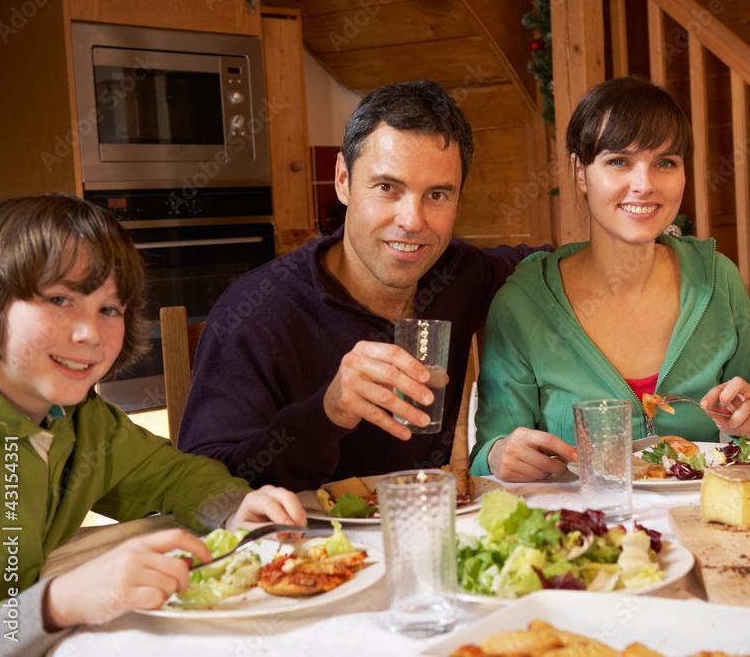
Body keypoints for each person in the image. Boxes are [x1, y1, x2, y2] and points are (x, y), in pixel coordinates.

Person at [177, 79, 547, 490]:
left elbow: (566, 265)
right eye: (387, 188)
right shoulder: (256, 311)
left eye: (438, 195)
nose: (413, 221)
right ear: (342, 180)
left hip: (428, 532)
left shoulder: (459, 271)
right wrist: (327, 411)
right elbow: (204, 487)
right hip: (304, 548)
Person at [0, 194, 306, 656]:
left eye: (109, 309)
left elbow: (172, 475)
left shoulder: (80, 422)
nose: (89, 333)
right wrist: (59, 602)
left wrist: (236, 509)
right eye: (59, 299)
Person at [470, 76, 750, 482]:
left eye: (665, 163)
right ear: (580, 172)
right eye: (619, 161)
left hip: (711, 528)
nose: (644, 185)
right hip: (584, 536)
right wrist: (499, 454)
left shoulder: (717, 280)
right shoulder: (522, 303)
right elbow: (489, 457)